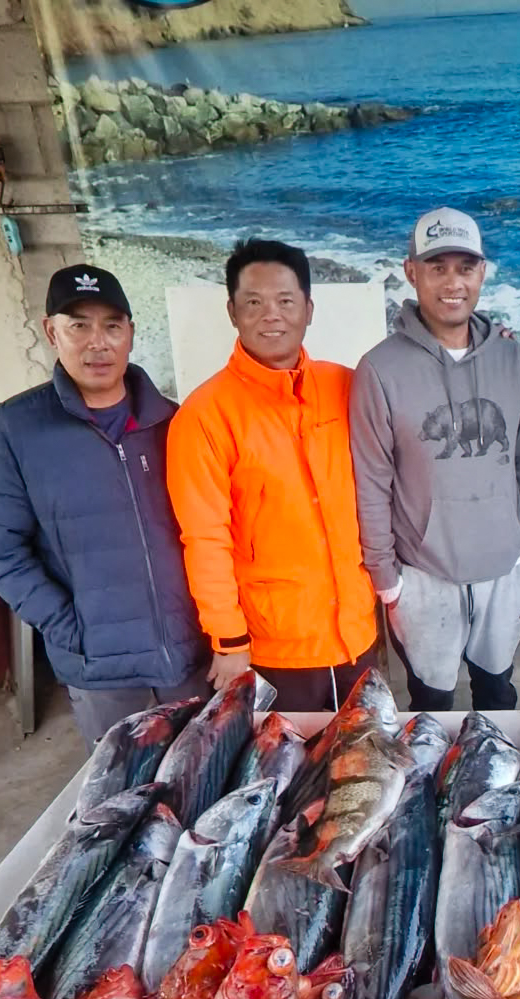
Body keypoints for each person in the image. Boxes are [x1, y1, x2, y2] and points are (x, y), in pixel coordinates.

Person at [0, 263, 209, 749]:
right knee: (122, 785)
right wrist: (70, 628)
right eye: (79, 325)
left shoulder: (175, 422)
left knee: (204, 774)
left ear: (130, 334)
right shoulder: (13, 430)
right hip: (102, 671)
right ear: (50, 332)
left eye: (112, 326)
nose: (98, 343)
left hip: (189, 656)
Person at [350, 207, 520, 711]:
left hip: (506, 567)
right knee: (430, 704)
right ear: (411, 272)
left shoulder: (511, 356)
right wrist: (385, 576)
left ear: (482, 273)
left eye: (465, 267)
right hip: (423, 573)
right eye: (437, 268)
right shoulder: (379, 369)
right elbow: (371, 479)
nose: (452, 283)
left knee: (497, 695)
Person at [166, 237, 377, 711]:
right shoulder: (204, 416)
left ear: (309, 309)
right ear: (232, 312)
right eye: (254, 303)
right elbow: (205, 538)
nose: (271, 316)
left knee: (362, 749)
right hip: (276, 647)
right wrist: (228, 639)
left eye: (285, 301)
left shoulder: (347, 386)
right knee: (289, 756)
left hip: (358, 631)